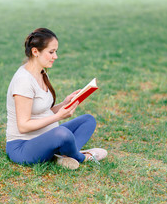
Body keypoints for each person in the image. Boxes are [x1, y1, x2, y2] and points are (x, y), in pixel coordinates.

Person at [6, 28, 107, 169]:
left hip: (47, 135)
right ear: (35, 52)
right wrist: (58, 117)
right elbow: (23, 126)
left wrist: (64, 103)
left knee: (88, 120)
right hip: (23, 146)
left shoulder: (42, 73)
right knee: (63, 134)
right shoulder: (23, 81)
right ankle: (82, 157)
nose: (55, 56)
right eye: (51, 52)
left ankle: (63, 156)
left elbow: (42, 112)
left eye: (56, 52)